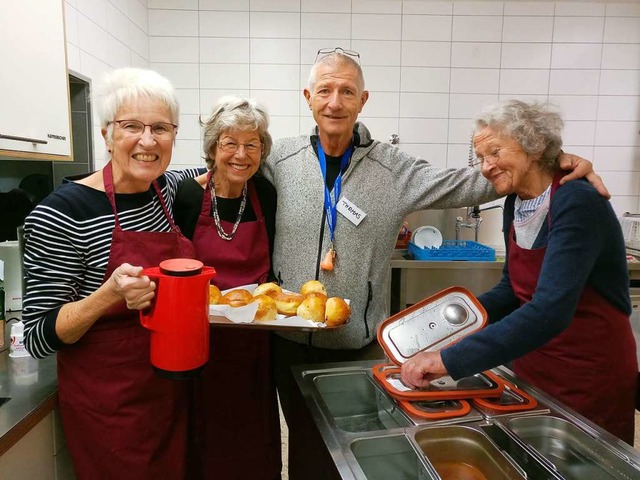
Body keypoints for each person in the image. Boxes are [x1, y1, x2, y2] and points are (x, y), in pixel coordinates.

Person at [260, 48, 608, 478]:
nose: (335, 102)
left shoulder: (393, 168)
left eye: (347, 91)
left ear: (363, 100)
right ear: (308, 96)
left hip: (358, 345)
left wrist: (553, 160)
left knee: (352, 453)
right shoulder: (278, 158)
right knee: (304, 451)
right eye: (325, 90)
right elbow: (223, 168)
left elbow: (477, 178)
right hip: (284, 343)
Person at [401, 100, 637, 445]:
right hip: (534, 364)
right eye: (481, 157)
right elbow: (513, 289)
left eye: (494, 152)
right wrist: (446, 324)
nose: (485, 167)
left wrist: (449, 359)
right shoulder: (517, 201)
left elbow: (550, 310)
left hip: (586, 371)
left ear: (535, 146)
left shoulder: (577, 201)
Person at [22, 68, 201, 479]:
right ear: (106, 134)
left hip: (171, 390)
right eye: (131, 126)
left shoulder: (167, 189)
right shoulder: (61, 214)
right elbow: (37, 337)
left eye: (161, 128)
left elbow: (216, 169)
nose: (148, 140)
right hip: (111, 406)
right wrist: (108, 295)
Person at [173, 96, 281, 480]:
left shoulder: (265, 195)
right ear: (212, 148)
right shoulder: (187, 196)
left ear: (262, 150)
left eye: (252, 144)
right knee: (205, 432)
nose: (241, 154)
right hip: (202, 340)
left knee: (253, 431)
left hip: (254, 340)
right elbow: (176, 269)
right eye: (229, 143)